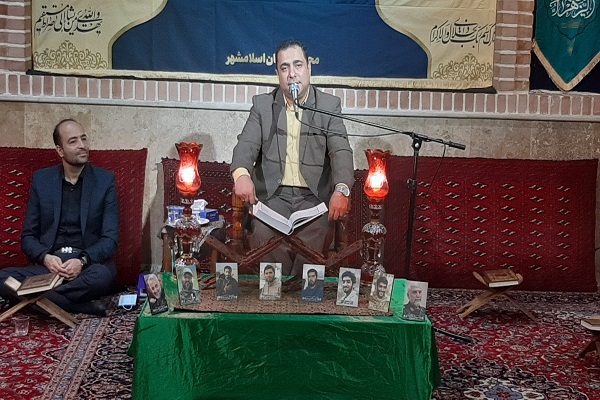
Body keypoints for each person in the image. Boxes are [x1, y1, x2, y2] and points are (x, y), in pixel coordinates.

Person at [231, 38, 355, 277]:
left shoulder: (328, 105)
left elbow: (340, 150)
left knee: (312, 246)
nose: (292, 74)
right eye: (284, 67)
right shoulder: (263, 105)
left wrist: (341, 189)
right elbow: (245, 145)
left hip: (313, 200)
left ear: (309, 68)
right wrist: (241, 175)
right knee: (264, 238)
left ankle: (299, 294)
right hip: (272, 198)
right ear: (277, 73)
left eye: (298, 65)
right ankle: (276, 294)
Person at [0, 119, 118, 317]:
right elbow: (28, 237)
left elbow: (110, 239)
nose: (82, 145)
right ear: (60, 150)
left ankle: (38, 298)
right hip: (50, 267)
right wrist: (45, 258)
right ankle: (78, 306)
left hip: (87, 267)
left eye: (84, 139)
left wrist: (82, 261)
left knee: (103, 277)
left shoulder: (105, 181)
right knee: (2, 278)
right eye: (73, 141)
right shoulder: (42, 180)